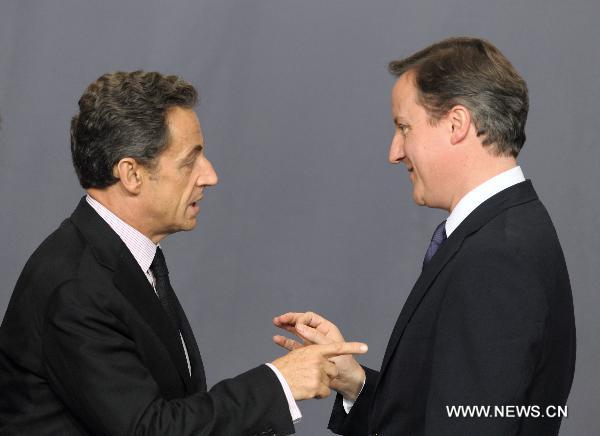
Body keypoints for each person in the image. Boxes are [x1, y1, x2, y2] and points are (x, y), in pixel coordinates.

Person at [0, 71, 368, 435]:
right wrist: (281, 382)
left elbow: (172, 407)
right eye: (190, 161)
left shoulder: (124, 258)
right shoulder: (77, 286)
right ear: (131, 174)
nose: (209, 176)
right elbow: (150, 429)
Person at [274, 37, 576, 435]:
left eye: (404, 127)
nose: (394, 152)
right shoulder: (503, 232)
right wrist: (357, 384)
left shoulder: (497, 256)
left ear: (456, 124)